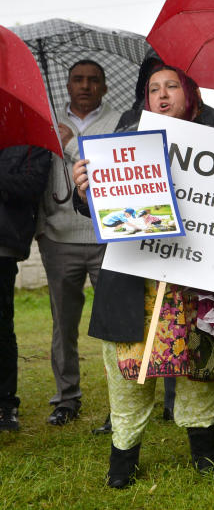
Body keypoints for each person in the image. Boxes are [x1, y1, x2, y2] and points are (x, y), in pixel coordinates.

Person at [72, 66, 214, 487]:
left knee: (200, 366)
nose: (162, 94)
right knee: (129, 370)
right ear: (145, 98)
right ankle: (123, 459)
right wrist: (85, 190)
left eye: (172, 85)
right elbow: (103, 214)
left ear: (190, 92)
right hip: (137, 283)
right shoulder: (124, 143)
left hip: (198, 283)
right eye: (154, 89)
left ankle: (205, 455)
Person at [35, 60, 121, 426]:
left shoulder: (119, 122)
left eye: (93, 80)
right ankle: (66, 399)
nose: (85, 86)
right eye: (78, 80)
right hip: (58, 237)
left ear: (104, 87)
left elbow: (113, 172)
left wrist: (70, 146)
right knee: (63, 324)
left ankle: (120, 404)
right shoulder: (47, 120)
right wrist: (41, 226)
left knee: (117, 323)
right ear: (67, 84)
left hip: (105, 236)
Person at [0, 145, 52, 432]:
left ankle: (5, 403)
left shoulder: (30, 144)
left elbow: (32, 187)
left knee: (1, 326)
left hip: (3, 243)